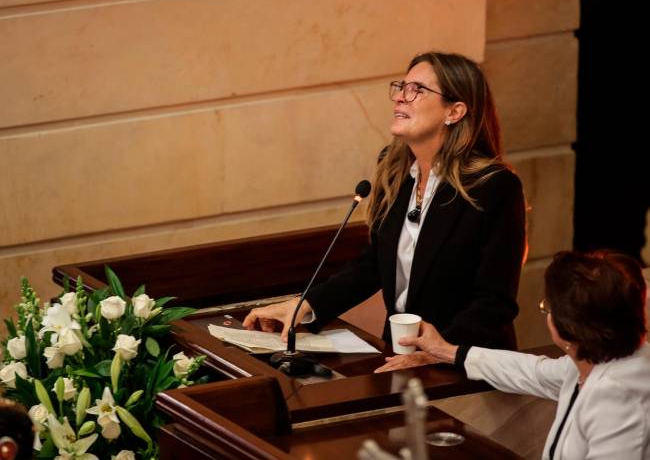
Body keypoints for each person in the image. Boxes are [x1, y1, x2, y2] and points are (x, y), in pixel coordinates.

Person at [243, 51, 526, 354]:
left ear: (454, 112)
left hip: (465, 364)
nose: (400, 98)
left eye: (417, 90)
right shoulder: (396, 171)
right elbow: (373, 264)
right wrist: (305, 306)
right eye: (401, 87)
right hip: (400, 354)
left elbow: (493, 303)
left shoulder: (494, 187)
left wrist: (438, 352)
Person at [378, 250, 650, 459]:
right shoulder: (588, 363)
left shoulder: (617, 394)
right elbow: (530, 371)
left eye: (548, 308)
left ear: (569, 326)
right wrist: (448, 351)